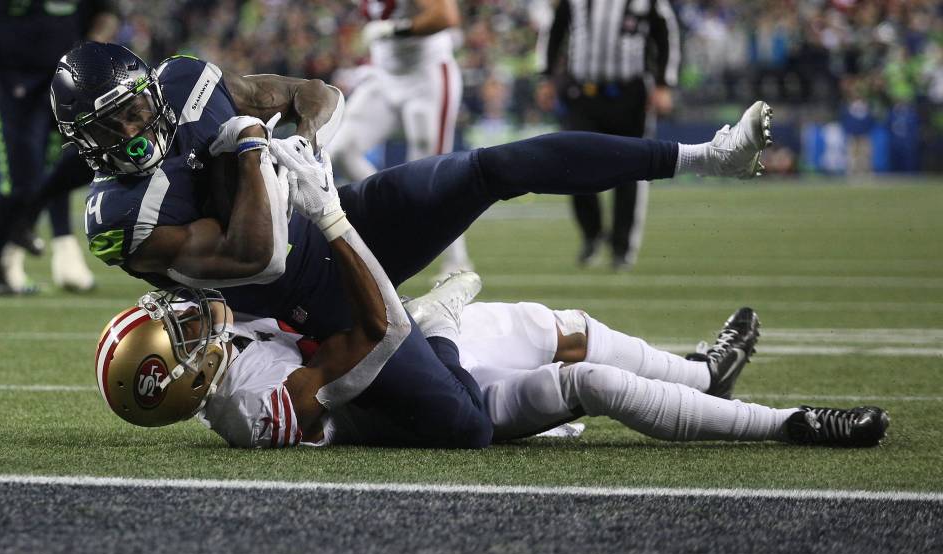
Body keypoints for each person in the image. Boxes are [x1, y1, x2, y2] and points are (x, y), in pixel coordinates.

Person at [53, 42, 771, 448]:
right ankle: (447, 333)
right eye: (109, 129)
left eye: (135, 112)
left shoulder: (191, 80)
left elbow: (314, 94)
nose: (132, 133)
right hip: (311, 303)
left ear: (153, 89)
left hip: (339, 218)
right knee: (461, 419)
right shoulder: (121, 215)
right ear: (84, 143)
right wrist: (248, 147)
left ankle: (708, 155)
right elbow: (257, 255)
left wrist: (302, 142)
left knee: (491, 168)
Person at [94, 272, 889, 449]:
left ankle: (704, 375)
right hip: (424, 399)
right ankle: (789, 425)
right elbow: (344, 366)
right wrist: (424, 320)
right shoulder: (243, 408)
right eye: (179, 331)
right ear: (177, 380)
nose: (191, 317)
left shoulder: (227, 356)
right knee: (592, 383)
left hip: (411, 348)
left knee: (557, 325)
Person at [0, 0, 117, 295]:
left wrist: (94, 48)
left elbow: (106, 12)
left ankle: (33, 229)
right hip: (12, 79)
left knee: (88, 154)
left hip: (66, 77)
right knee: (21, 180)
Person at [326, 0, 472, 276]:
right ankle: (387, 216)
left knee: (431, 174)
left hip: (427, 75)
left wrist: (396, 29)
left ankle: (458, 262)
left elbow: (445, 16)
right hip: (384, 75)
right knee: (342, 150)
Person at [543, 0, 681, 271]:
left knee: (632, 170)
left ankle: (622, 247)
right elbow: (554, 30)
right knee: (574, 164)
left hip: (630, 94)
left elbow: (666, 34)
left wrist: (665, 83)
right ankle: (591, 234)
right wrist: (546, 76)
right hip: (583, 92)